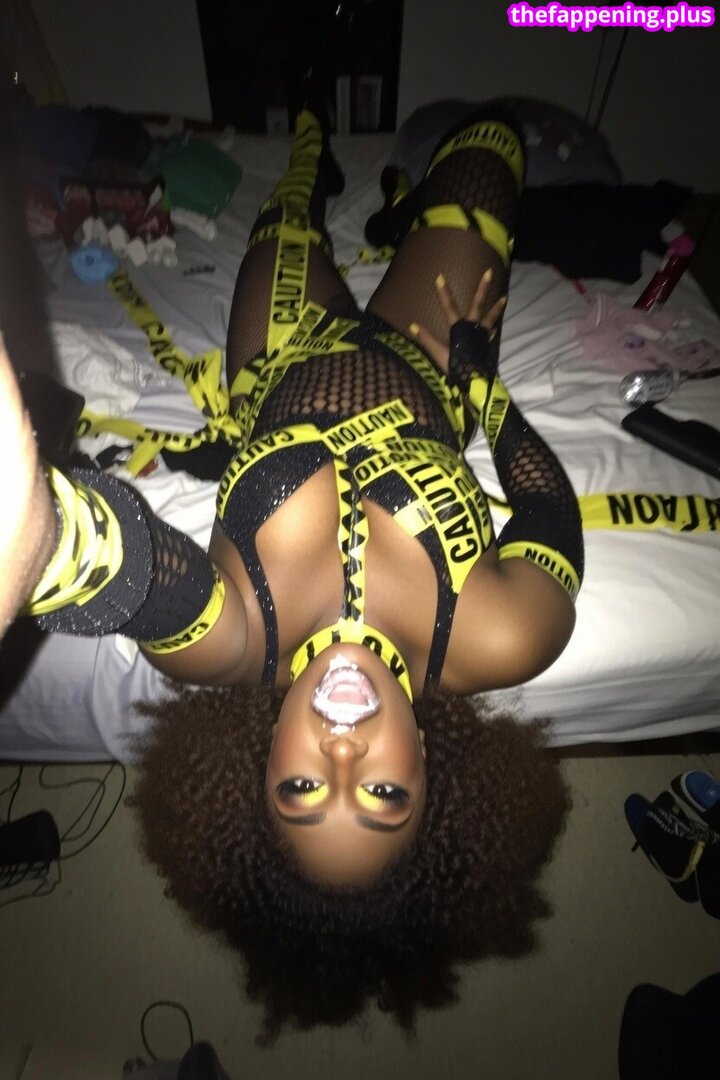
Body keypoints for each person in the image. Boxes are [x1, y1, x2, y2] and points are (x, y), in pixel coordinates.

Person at [4, 100, 581, 1037]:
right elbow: (549, 511)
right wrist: (482, 377)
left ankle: (314, 148)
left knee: (287, 207)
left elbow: (132, 575)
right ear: (429, 771)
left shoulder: (232, 643)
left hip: (281, 356)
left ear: (263, 766)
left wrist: (44, 541)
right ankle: (403, 212)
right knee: (492, 141)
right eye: (383, 795)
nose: (342, 752)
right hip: (430, 359)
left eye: (302, 790)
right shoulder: (501, 635)